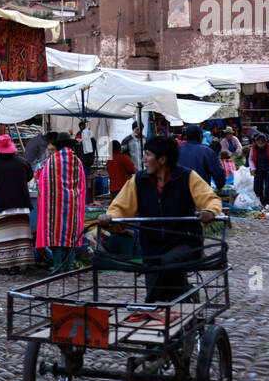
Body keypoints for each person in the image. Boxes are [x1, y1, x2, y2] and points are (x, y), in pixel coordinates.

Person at [99, 135, 222, 302]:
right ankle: (173, 301)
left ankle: (150, 305)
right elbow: (120, 207)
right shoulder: (138, 180)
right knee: (156, 273)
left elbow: (210, 199)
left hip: (186, 243)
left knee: (168, 264)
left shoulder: (188, 177)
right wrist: (110, 218)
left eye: (147, 155)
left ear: (162, 159)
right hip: (152, 246)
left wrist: (209, 211)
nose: (143, 160)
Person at [36, 136, 88, 273]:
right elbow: (82, 184)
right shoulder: (77, 161)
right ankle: (69, 266)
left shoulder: (52, 161)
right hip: (73, 206)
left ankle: (58, 265)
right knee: (71, 236)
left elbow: (43, 183)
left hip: (55, 207)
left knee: (56, 236)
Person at [0, 134, 32, 217]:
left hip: (2, 207)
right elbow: (29, 177)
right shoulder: (23, 162)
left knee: (4, 230)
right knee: (21, 230)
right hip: (22, 205)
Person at [178, 125, 226, 190]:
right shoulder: (207, 151)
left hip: (180, 193)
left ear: (186, 137)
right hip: (201, 194)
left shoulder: (178, 150)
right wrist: (219, 186)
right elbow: (219, 173)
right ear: (201, 137)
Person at [247, 133, 269, 207]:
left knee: (268, 189)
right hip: (258, 170)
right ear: (256, 142)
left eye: (262, 143)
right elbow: (250, 159)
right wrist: (253, 168)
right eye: (258, 143)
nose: (260, 145)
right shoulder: (253, 149)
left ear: (265, 142)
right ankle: (261, 203)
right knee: (257, 188)